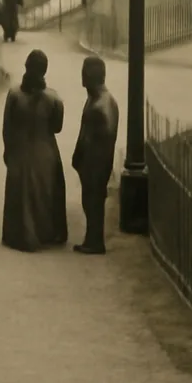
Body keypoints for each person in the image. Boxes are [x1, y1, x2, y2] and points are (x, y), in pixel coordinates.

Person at [1, 49, 68, 252]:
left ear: (26, 67)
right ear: (44, 71)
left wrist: (9, 150)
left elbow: (7, 127)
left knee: (20, 192)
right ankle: (46, 232)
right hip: (45, 150)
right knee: (45, 192)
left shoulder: (14, 95)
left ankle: (20, 234)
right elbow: (57, 127)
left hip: (21, 150)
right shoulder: (53, 99)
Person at [71, 56, 120, 255]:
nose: (81, 77)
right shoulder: (100, 99)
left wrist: (82, 158)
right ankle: (92, 238)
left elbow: (95, 138)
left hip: (95, 163)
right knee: (91, 201)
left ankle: (94, 241)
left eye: (84, 72)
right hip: (94, 162)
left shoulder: (99, 106)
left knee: (92, 201)